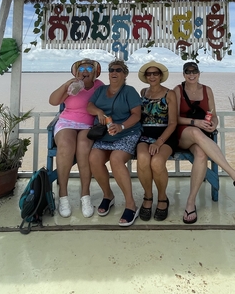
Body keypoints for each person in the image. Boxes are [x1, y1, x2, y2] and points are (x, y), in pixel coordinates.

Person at [174, 61, 235, 224]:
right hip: (183, 133)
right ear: (183, 74)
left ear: (199, 73)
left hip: (202, 134)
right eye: (188, 72)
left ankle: (190, 202)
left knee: (200, 153)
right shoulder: (177, 90)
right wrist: (195, 122)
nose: (191, 75)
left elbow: (213, 114)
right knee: (194, 132)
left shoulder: (207, 90)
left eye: (195, 72)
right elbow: (174, 118)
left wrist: (214, 123)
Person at [87, 59, 142, 227]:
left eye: (118, 70)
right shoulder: (101, 90)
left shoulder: (129, 91)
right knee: (94, 159)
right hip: (106, 134)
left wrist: (121, 126)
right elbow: (89, 105)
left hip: (127, 132)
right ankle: (108, 195)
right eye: (111, 69)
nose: (114, 72)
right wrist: (98, 112)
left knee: (116, 160)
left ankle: (131, 204)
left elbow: (137, 115)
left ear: (124, 74)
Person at [48, 59, 104, 218]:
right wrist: (67, 85)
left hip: (88, 125)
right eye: (81, 68)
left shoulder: (99, 86)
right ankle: (63, 195)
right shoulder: (71, 85)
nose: (84, 71)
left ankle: (85, 194)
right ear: (76, 71)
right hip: (67, 122)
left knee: (84, 147)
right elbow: (53, 101)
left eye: (89, 68)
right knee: (65, 146)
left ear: (94, 73)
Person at [135, 61, 178, 222]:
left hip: (165, 135)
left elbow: (173, 122)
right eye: (149, 74)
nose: (152, 76)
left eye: (155, 73)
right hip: (145, 135)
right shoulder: (143, 92)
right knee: (143, 159)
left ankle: (162, 198)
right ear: (146, 77)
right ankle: (147, 196)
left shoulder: (170, 94)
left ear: (160, 76)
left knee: (157, 163)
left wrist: (159, 142)